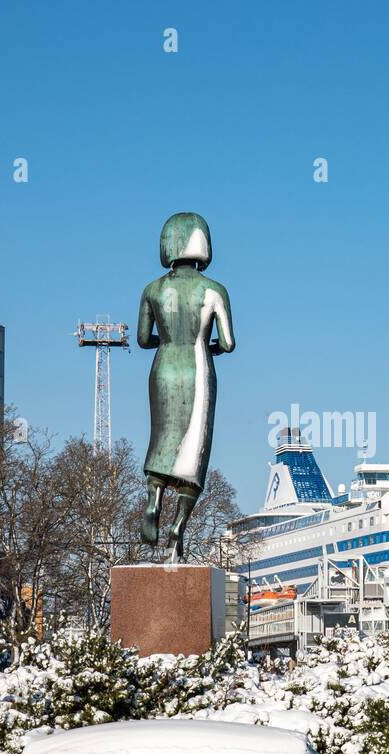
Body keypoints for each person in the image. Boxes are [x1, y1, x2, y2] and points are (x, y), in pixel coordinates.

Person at [137, 212, 235, 559]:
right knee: (194, 450)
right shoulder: (214, 290)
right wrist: (203, 346)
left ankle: (153, 498)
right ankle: (177, 528)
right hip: (198, 370)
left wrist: (167, 339)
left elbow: (142, 339)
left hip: (163, 366)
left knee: (161, 437)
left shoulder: (152, 290)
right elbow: (228, 344)